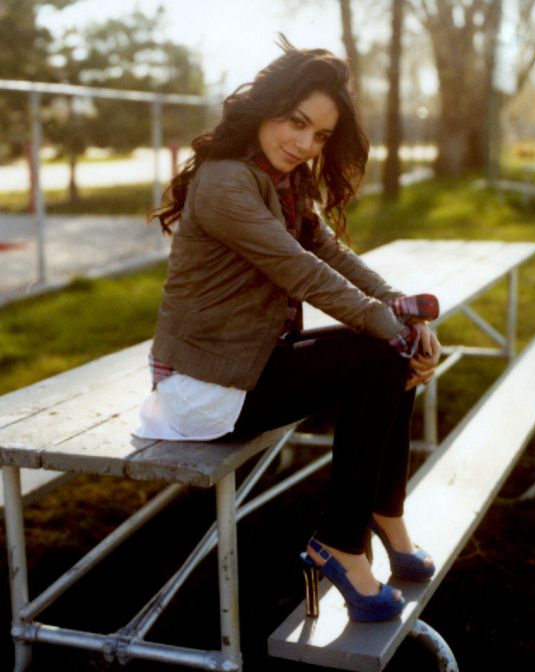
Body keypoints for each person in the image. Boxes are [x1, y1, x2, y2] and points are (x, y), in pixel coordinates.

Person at [133, 36, 441, 623]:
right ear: (264, 108)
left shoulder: (283, 184)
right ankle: (342, 543)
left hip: (250, 367)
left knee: (388, 354)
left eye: (320, 135)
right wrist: (394, 330)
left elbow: (334, 255)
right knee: (381, 356)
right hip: (203, 390)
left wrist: (405, 312)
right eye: (296, 123)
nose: (304, 145)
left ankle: (386, 515)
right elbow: (303, 272)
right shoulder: (226, 183)